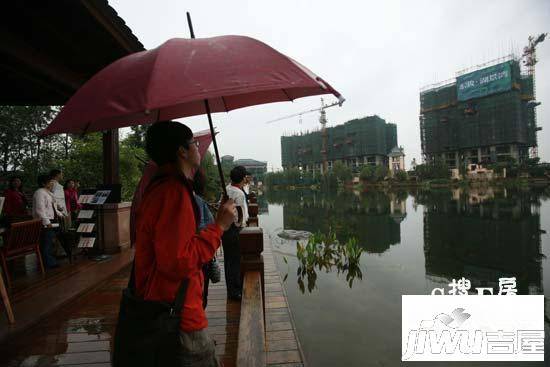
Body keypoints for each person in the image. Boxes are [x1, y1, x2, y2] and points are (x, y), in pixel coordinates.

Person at [134, 120, 235, 366]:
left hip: (160, 306)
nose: (198, 149)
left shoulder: (159, 187)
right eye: (194, 144)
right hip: (178, 314)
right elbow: (179, 261)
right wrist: (219, 227)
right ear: (182, 151)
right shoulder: (173, 193)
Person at [192, 168, 220, 309]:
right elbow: (203, 229)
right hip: (199, 259)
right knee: (200, 295)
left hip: (197, 258)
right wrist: (221, 224)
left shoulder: (195, 200)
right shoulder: (195, 201)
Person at [222, 165, 250, 301]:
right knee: (235, 261)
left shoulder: (226, 189)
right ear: (243, 178)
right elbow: (241, 218)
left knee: (228, 261)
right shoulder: (238, 193)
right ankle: (235, 291)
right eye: (246, 176)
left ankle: (231, 289)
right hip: (235, 230)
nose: (247, 178)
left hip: (225, 229)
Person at [33, 175, 63, 268]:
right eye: (50, 182)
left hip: (51, 219)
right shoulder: (39, 193)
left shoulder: (48, 192)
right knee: (46, 242)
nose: (52, 183)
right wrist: (46, 221)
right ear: (43, 183)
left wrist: (60, 214)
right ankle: (48, 263)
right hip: (44, 221)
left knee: (49, 241)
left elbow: (52, 207)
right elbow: (40, 209)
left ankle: (49, 261)